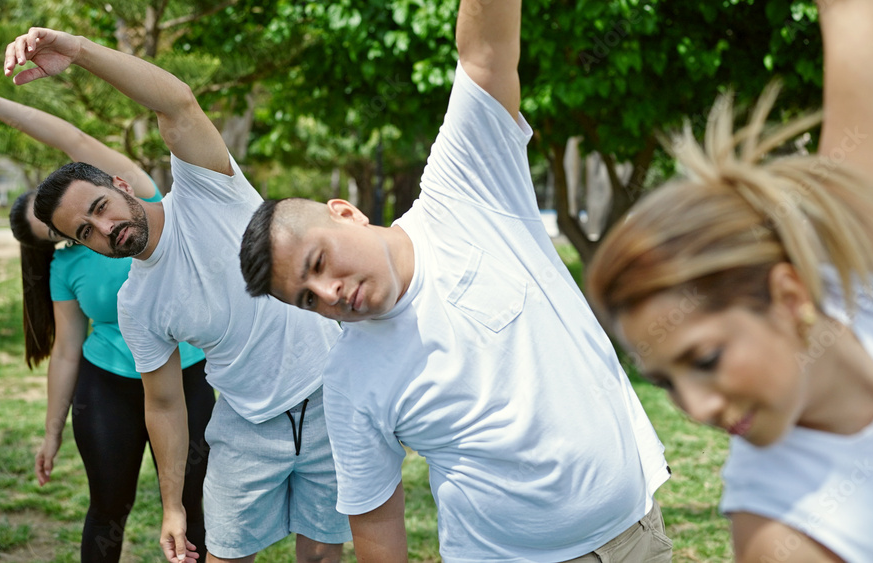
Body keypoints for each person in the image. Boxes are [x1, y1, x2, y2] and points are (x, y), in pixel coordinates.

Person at [239, 1, 671, 561]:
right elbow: (376, 529)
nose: (329, 295)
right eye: (306, 300)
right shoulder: (349, 380)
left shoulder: (464, 189)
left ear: (345, 212)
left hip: (639, 535)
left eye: (318, 265)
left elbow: (485, 49)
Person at [2, 27, 350, 563]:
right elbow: (164, 404)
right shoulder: (137, 304)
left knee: (323, 554)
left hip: (332, 393)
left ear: (120, 185)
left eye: (99, 208)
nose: (104, 229)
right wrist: (171, 507)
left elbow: (177, 102)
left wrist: (78, 50)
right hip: (245, 421)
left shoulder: (205, 187)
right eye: (85, 233)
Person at [585, 0, 873, 561]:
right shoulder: (778, 533)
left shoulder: (872, 258)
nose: (695, 406)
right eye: (665, 383)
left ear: (788, 296)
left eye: (704, 359)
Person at [0, 66, 216, 562]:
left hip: (187, 376)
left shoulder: (134, 202)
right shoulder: (69, 265)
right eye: (55, 229)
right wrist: (52, 429)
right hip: (109, 386)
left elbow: (72, 137)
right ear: (52, 239)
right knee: (108, 508)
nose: (83, 225)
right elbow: (65, 352)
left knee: (198, 506)